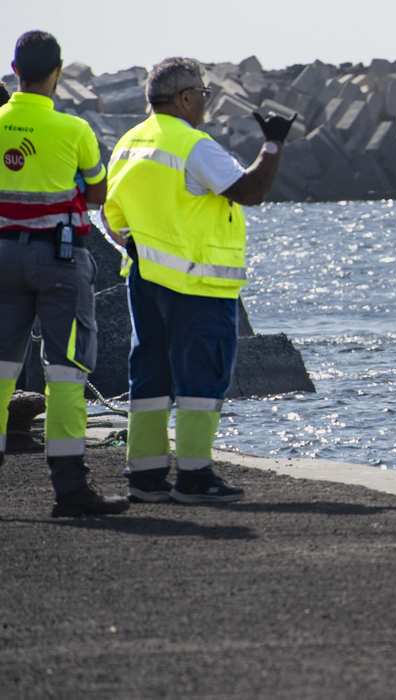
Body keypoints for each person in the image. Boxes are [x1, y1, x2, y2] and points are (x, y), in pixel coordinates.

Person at [103, 57, 296, 504]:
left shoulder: (128, 144)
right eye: (204, 96)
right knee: (201, 376)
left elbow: (110, 218)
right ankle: (195, 476)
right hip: (197, 284)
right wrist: (272, 146)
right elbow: (248, 192)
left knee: (149, 374)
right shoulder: (193, 145)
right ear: (186, 98)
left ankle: (146, 477)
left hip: (144, 279)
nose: (205, 104)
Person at [0, 31, 127, 516]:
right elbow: (97, 194)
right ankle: (71, 491)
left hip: (2, 259)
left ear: (15, 69)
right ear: (57, 72)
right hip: (59, 260)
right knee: (66, 372)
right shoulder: (73, 130)